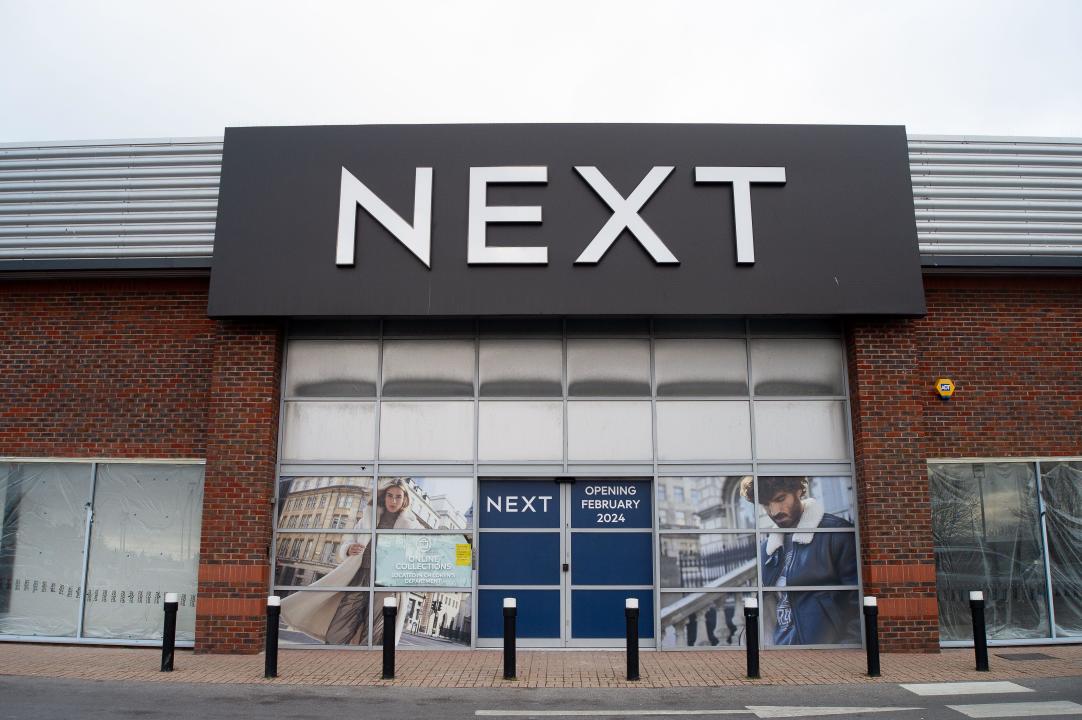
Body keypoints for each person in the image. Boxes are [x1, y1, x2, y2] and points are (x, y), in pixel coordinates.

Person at [740, 476, 859, 645]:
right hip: (780, 654)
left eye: (780, 499)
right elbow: (767, 607)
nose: (774, 511)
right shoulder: (767, 549)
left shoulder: (836, 533)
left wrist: (846, 648)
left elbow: (858, 602)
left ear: (798, 490)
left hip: (824, 654)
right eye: (766, 504)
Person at [323, 478, 421, 644]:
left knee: (375, 629)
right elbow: (349, 538)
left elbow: (418, 555)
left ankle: (366, 664)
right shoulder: (368, 517)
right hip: (361, 574)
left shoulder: (412, 526)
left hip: (386, 581)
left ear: (405, 500)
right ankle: (331, 655)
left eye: (398, 497)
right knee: (342, 621)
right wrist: (348, 548)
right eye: (390, 495)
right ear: (384, 497)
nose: (394, 500)